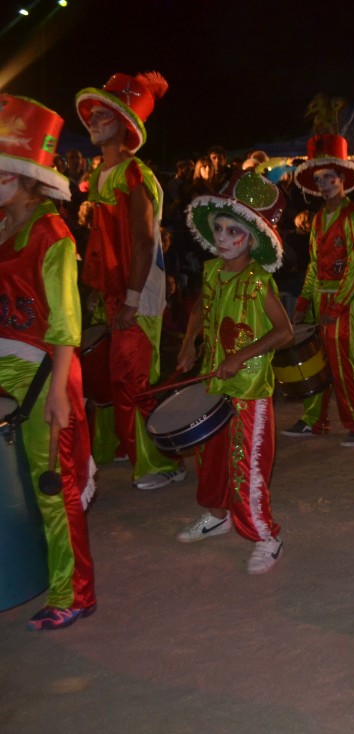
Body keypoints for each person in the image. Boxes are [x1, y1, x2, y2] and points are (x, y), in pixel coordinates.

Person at [0, 95, 97, 630]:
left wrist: (59, 393)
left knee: (52, 489)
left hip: (43, 378)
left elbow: (66, 328)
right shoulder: (2, 227)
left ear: (24, 177)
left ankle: (74, 593)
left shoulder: (51, 236)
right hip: (7, 370)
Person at [176, 171, 293, 574]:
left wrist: (242, 356)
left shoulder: (260, 282)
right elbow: (198, 310)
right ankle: (217, 515)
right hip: (213, 383)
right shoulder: (211, 271)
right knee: (209, 459)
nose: (223, 238)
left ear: (252, 238)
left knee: (247, 466)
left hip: (249, 389)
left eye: (233, 231)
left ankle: (266, 536)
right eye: (219, 229)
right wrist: (189, 343)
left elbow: (285, 332)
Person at [74, 72, 185, 490]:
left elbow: (141, 242)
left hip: (137, 295)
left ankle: (151, 463)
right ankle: (124, 445)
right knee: (114, 375)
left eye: (103, 116)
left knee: (132, 379)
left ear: (123, 124)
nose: (94, 122)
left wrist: (133, 299)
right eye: (93, 116)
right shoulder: (103, 175)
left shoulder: (134, 174)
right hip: (115, 293)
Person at [282, 134, 354, 446]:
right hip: (320, 299)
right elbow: (313, 264)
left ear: (343, 179)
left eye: (329, 178)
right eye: (319, 179)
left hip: (343, 303)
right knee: (316, 362)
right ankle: (314, 419)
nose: (323, 184)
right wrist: (303, 302)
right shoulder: (319, 218)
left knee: (342, 364)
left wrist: (337, 307)